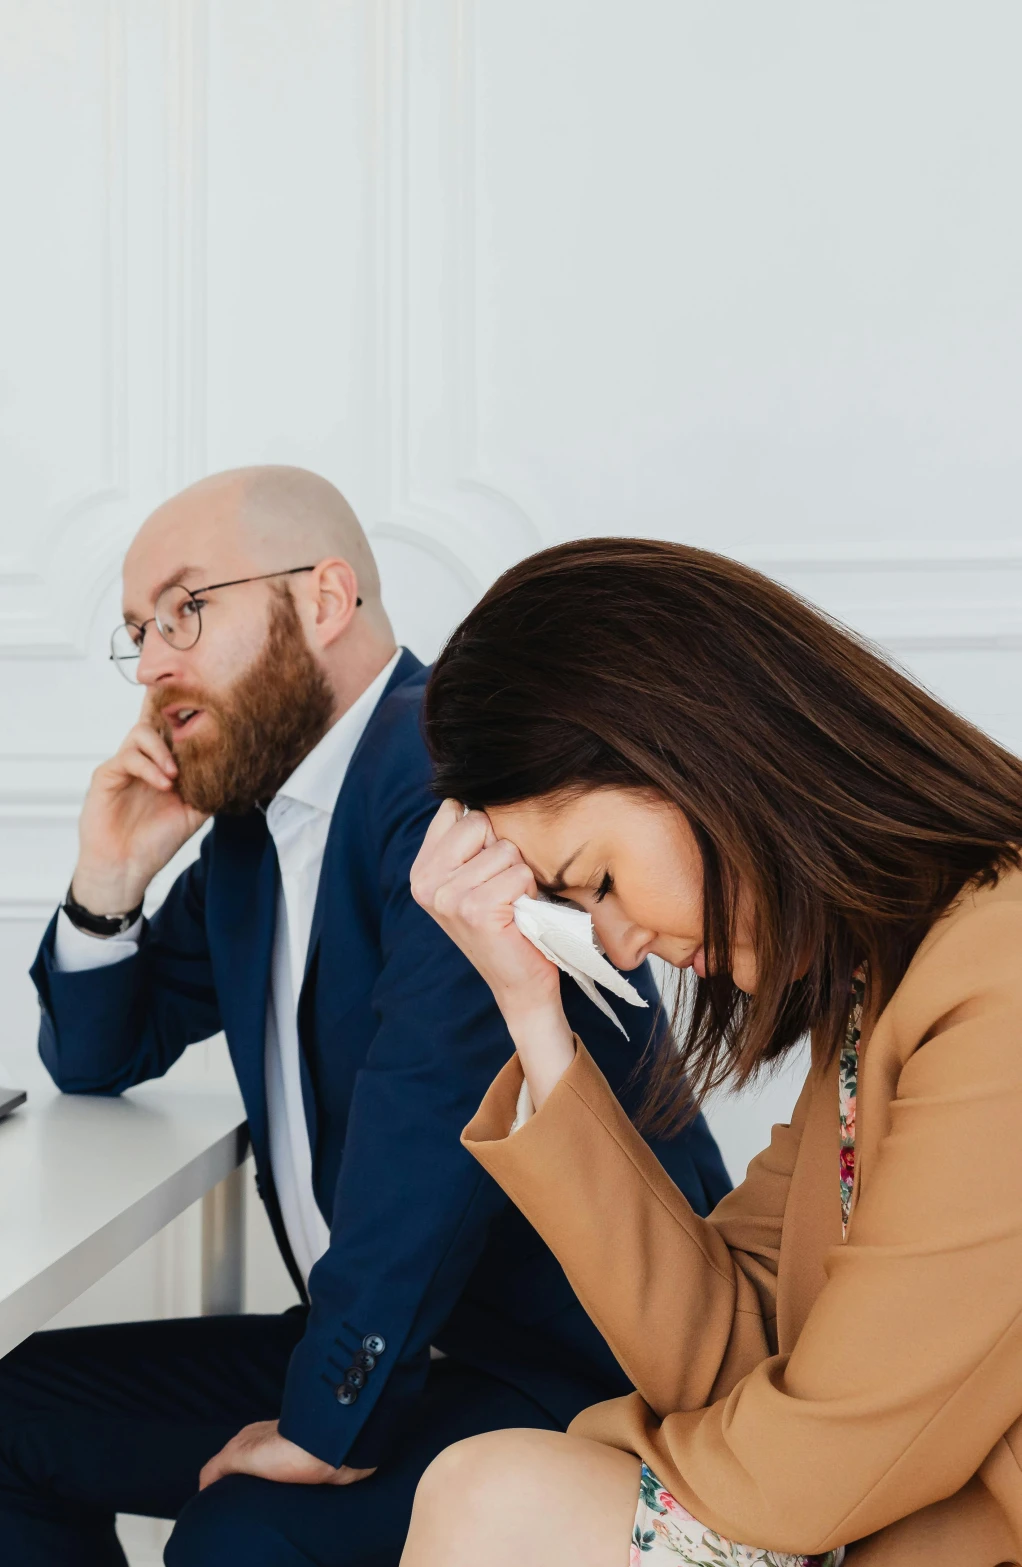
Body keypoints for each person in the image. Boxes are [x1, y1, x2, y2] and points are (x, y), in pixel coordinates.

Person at [0, 468, 733, 1566]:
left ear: (324, 598)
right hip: (388, 1336)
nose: (153, 660)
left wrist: (322, 1429)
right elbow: (101, 1054)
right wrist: (107, 877)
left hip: (563, 1362)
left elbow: (428, 1125)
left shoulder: (459, 782)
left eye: (184, 608)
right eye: (137, 631)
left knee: (238, 1540)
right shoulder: (260, 834)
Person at [402, 538, 1022, 1567]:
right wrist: (533, 1016)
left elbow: (817, 1468)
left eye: (594, 879)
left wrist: (587, 1452)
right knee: (492, 1495)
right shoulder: (890, 986)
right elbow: (729, 1351)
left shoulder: (999, 971)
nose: (614, 942)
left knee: (494, 1498)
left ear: (702, 747)